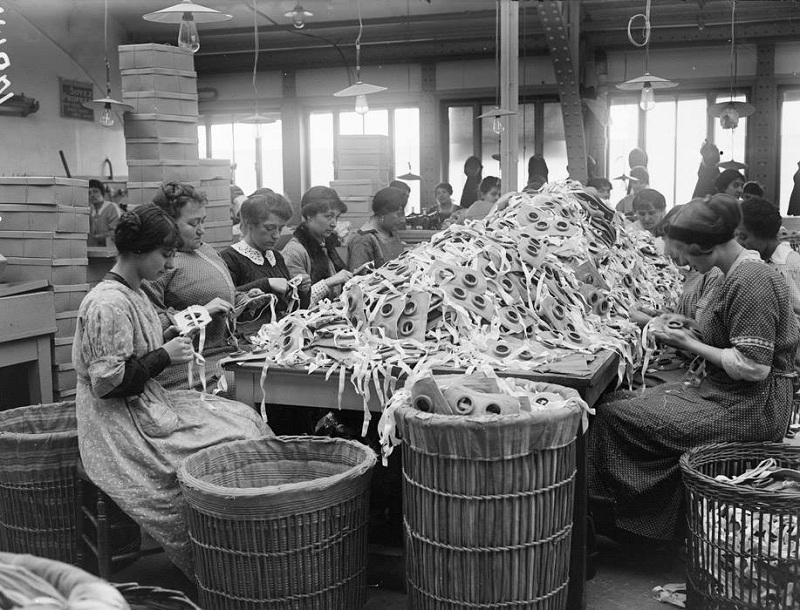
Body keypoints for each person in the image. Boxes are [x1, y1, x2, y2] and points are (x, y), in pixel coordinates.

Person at [73, 204, 269, 577]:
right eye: (164, 254)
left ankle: (240, 551)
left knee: (244, 417)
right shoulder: (107, 303)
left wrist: (168, 336)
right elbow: (107, 383)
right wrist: (164, 355)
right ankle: (221, 561)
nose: (168, 264)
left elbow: (133, 348)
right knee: (228, 443)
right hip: (116, 425)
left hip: (145, 404)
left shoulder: (133, 293)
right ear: (137, 252)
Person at [589, 194, 798, 544]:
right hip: (729, 392)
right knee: (612, 403)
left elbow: (753, 366)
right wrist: (684, 325)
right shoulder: (730, 273)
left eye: (683, 253)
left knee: (612, 417)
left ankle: (626, 524)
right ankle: (639, 519)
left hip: (753, 405)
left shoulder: (752, 280)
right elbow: (727, 335)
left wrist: (687, 344)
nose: (682, 262)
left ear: (703, 247)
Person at [142, 182, 237, 390]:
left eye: (203, 221)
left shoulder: (207, 251)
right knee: (252, 385)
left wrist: (244, 299)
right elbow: (149, 328)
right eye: (194, 224)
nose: (202, 230)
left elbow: (218, 297)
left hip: (223, 355)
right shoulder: (157, 265)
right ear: (167, 223)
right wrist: (201, 313)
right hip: (186, 366)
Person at [220, 192, 311, 326]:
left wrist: (302, 291)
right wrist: (266, 284)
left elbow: (293, 309)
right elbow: (227, 302)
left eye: (280, 229)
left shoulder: (276, 257)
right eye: (270, 228)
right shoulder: (229, 258)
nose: (276, 235)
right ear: (249, 224)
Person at [281, 186, 352, 307]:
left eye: (337, 217)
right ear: (309, 215)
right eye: (328, 216)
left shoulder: (326, 243)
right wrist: (331, 281)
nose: (334, 223)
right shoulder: (294, 252)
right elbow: (296, 304)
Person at [737, 196, 800, 328]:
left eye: (743, 237)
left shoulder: (788, 266)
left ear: (764, 234)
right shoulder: (755, 259)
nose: (739, 243)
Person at [347, 187, 407, 273]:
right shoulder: (363, 240)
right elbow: (358, 280)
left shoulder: (390, 232)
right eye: (399, 214)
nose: (403, 220)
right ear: (383, 213)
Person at [88, 179, 119, 247]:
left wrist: (97, 237)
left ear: (102, 193)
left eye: (95, 191)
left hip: (109, 249)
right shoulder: (89, 211)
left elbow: (117, 232)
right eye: (89, 193)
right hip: (93, 249)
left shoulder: (111, 208)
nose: (92, 195)